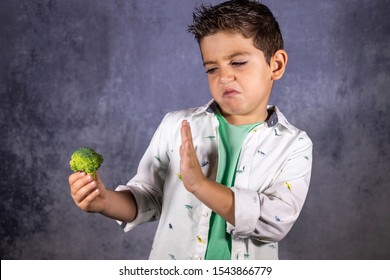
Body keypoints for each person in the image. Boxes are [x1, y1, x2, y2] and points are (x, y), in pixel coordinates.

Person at [68, 0, 313, 260]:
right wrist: (104, 200)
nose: (224, 77)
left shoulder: (295, 145)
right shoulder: (175, 126)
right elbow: (147, 198)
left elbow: (276, 221)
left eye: (238, 62)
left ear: (275, 64)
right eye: (212, 68)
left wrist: (200, 185)